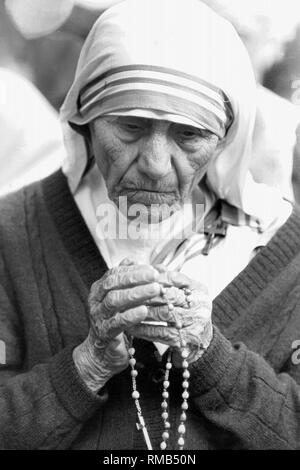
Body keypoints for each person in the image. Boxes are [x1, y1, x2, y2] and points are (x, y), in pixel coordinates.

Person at [0, 0, 300, 450]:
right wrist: (86, 365)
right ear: (85, 119)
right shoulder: (13, 231)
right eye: (130, 127)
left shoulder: (283, 247)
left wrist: (212, 356)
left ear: (225, 141)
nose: (156, 165)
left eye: (189, 135)